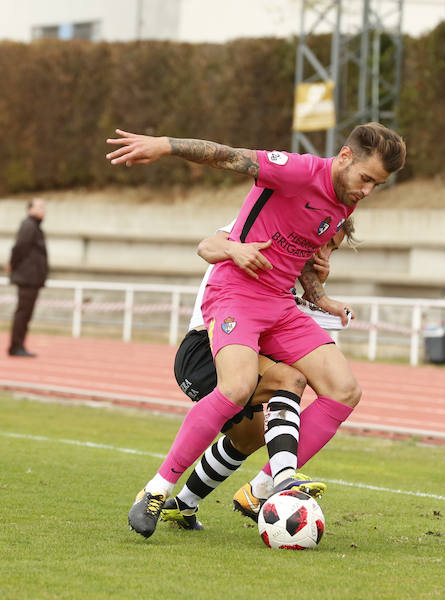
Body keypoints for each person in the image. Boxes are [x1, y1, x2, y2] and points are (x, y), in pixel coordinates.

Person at [106, 122, 405, 538]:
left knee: (344, 389)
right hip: (234, 295)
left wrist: (321, 299)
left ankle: (266, 485)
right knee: (238, 386)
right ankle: (157, 490)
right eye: (366, 178)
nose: (368, 190)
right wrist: (166, 145)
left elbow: (299, 254)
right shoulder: (297, 170)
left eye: (378, 184)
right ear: (344, 157)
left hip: (278, 305)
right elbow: (227, 154)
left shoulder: (344, 202)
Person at [161, 220, 354, 530]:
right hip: (205, 351)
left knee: (249, 438)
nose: (324, 254)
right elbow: (209, 246)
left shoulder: (288, 264)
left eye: (332, 249)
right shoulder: (265, 223)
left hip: (239, 351)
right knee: (288, 379)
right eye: (325, 243)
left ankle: (182, 505)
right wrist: (235, 249)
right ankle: (268, 484)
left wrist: (319, 296)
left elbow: (278, 314)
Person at [6, 198, 48, 357]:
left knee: (25, 314)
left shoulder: (35, 227)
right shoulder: (29, 226)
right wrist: (12, 265)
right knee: (23, 314)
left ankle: (19, 345)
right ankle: (16, 346)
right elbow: (19, 247)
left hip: (32, 278)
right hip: (27, 278)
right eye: (40, 207)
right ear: (30, 209)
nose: (44, 210)